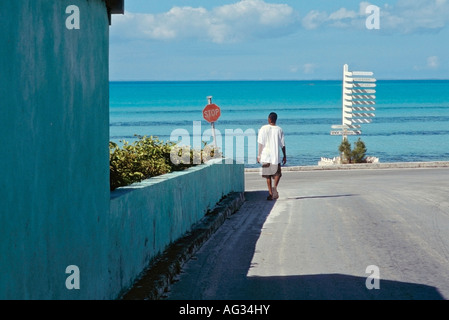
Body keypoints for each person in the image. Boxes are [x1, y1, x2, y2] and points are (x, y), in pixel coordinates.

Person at [257, 112, 286, 200]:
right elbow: (283, 145)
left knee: (268, 175)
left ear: (269, 119)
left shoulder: (263, 128)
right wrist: (285, 155)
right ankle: (275, 187)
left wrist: (259, 155)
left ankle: (270, 193)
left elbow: (260, 143)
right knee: (277, 174)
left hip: (266, 156)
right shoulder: (279, 129)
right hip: (275, 156)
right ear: (275, 119)